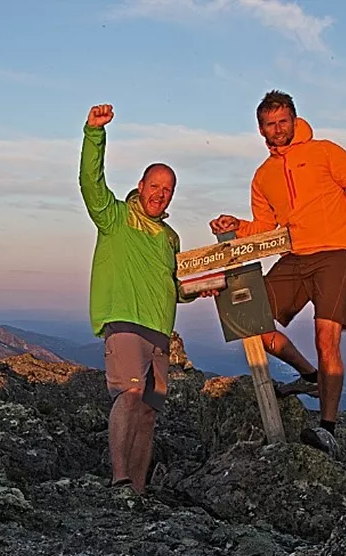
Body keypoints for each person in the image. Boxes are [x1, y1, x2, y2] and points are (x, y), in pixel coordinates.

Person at [210, 90, 346, 457]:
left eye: (282, 121)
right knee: (249, 317)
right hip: (295, 255)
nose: (277, 129)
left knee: (326, 339)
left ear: (293, 119)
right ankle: (309, 376)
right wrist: (236, 225)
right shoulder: (263, 176)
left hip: (335, 251)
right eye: (270, 124)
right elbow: (265, 226)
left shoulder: (323, 152)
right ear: (261, 130)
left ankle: (327, 429)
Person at [80, 103, 205, 495]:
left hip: (160, 332)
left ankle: (137, 490)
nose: (160, 195)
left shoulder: (170, 239)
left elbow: (176, 287)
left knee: (149, 411)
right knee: (130, 393)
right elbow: (90, 184)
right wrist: (94, 133)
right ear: (142, 185)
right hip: (124, 321)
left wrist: (205, 286)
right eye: (155, 186)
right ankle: (118, 480)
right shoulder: (115, 216)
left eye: (167, 191)